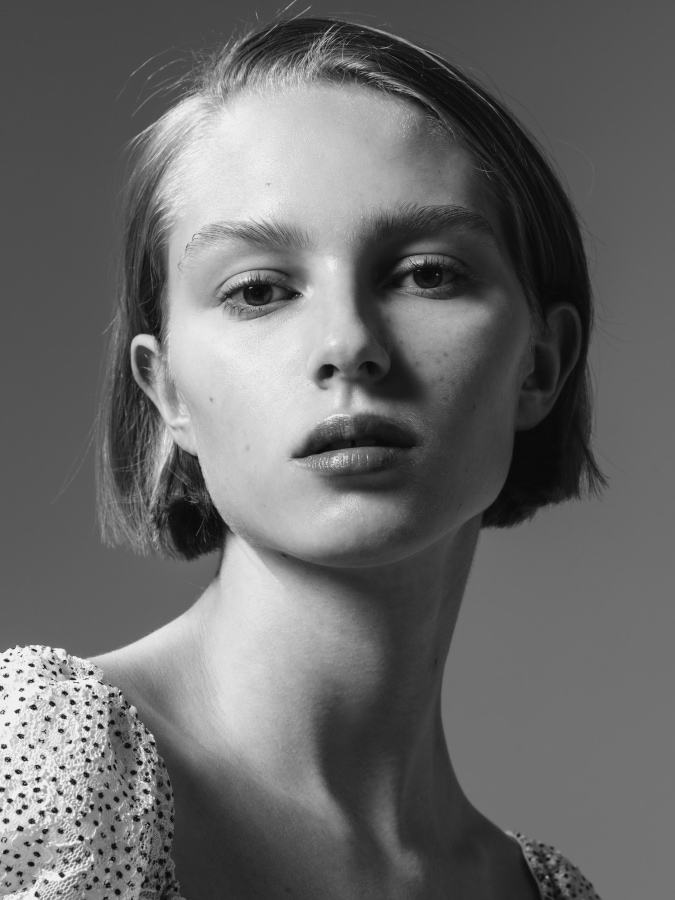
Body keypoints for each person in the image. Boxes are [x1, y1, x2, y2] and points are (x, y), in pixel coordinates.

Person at [0, 14, 605, 900]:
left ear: (541, 365)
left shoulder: (544, 892)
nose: (348, 344)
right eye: (257, 290)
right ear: (166, 392)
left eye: (427, 273)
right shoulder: (40, 766)